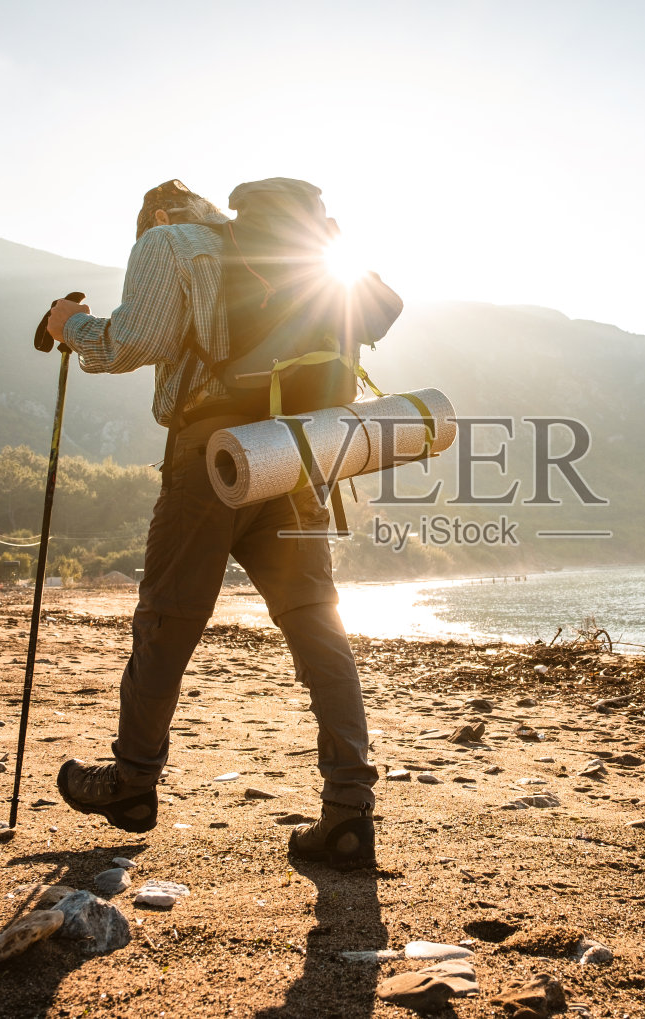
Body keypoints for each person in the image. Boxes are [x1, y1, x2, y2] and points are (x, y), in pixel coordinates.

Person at [44, 177, 401, 869]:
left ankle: (132, 783)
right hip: (296, 454)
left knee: (168, 617)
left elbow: (129, 341)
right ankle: (350, 810)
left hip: (213, 456)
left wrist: (67, 327)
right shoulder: (291, 252)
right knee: (317, 622)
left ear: (157, 214)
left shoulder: (166, 239)